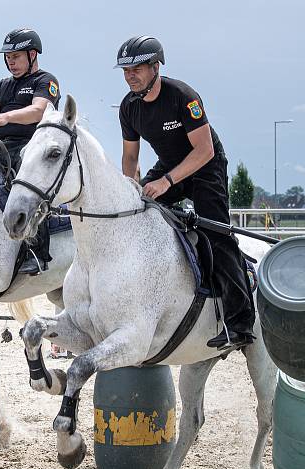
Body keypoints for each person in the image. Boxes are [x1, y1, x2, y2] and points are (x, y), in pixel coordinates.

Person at [116, 36, 255, 349]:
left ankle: (240, 322)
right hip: (170, 167)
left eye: (136, 68)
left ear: (156, 67)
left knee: (216, 235)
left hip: (206, 167)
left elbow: (204, 150)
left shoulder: (183, 96)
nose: (129, 75)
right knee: (135, 214)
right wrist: (130, 190)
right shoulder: (128, 108)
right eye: (125, 70)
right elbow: (130, 158)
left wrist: (165, 182)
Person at [0, 28, 61, 275]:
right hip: (0, 147)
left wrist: (4, 117)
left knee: (27, 187)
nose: (10, 61)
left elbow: (38, 111)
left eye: (16, 56)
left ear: (32, 54)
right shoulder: (1, 85)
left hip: (32, 148)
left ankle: (38, 252)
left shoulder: (46, 81)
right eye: (8, 57)